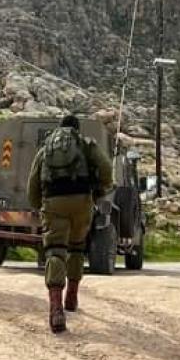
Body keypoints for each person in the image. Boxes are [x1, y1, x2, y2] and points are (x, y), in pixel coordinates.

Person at [27, 114, 113, 333]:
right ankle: (72, 297)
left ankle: (56, 309)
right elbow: (106, 168)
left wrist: (39, 205)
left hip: (53, 202)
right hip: (82, 201)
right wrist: (101, 190)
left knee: (55, 251)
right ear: (77, 129)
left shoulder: (46, 148)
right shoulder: (85, 144)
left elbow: (32, 185)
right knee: (76, 248)